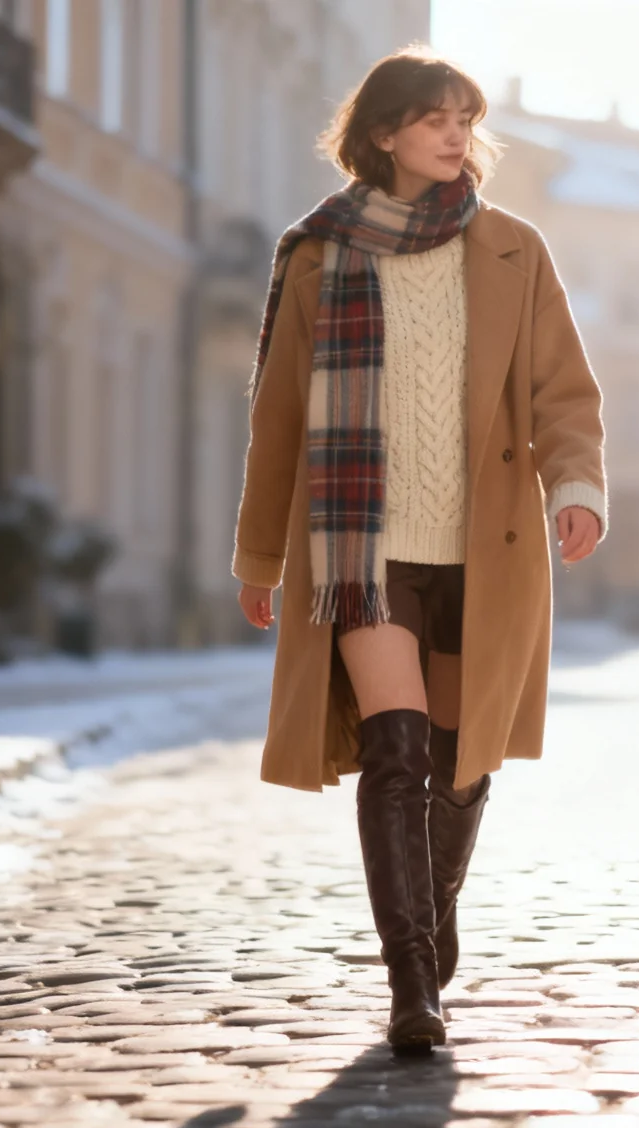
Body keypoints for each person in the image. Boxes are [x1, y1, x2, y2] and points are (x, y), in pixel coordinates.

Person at [233, 47, 607, 1054]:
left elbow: (561, 392)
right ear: (384, 133)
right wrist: (260, 556)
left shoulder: (512, 250)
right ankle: (411, 982)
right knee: (394, 754)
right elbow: (277, 420)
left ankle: (430, 922)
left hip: (485, 550)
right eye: (433, 118)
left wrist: (574, 488)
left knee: (456, 764)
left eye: (465, 117)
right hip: (360, 549)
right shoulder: (318, 254)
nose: (454, 134)